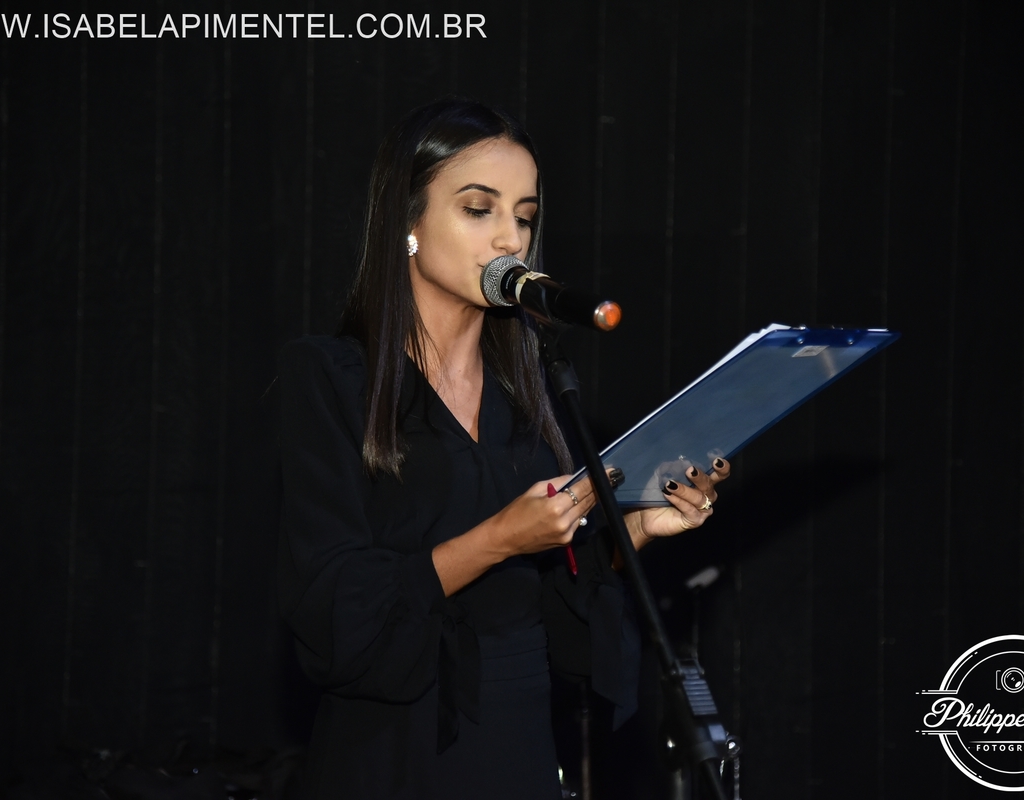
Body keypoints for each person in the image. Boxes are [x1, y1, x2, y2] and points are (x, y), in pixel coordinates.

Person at [277, 97, 730, 799]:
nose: (509, 239)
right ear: (407, 223)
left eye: (524, 216)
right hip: (392, 758)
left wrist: (634, 532)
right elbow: (336, 619)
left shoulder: (529, 393)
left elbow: (556, 621)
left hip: (517, 753)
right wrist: (496, 539)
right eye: (478, 208)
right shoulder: (334, 379)